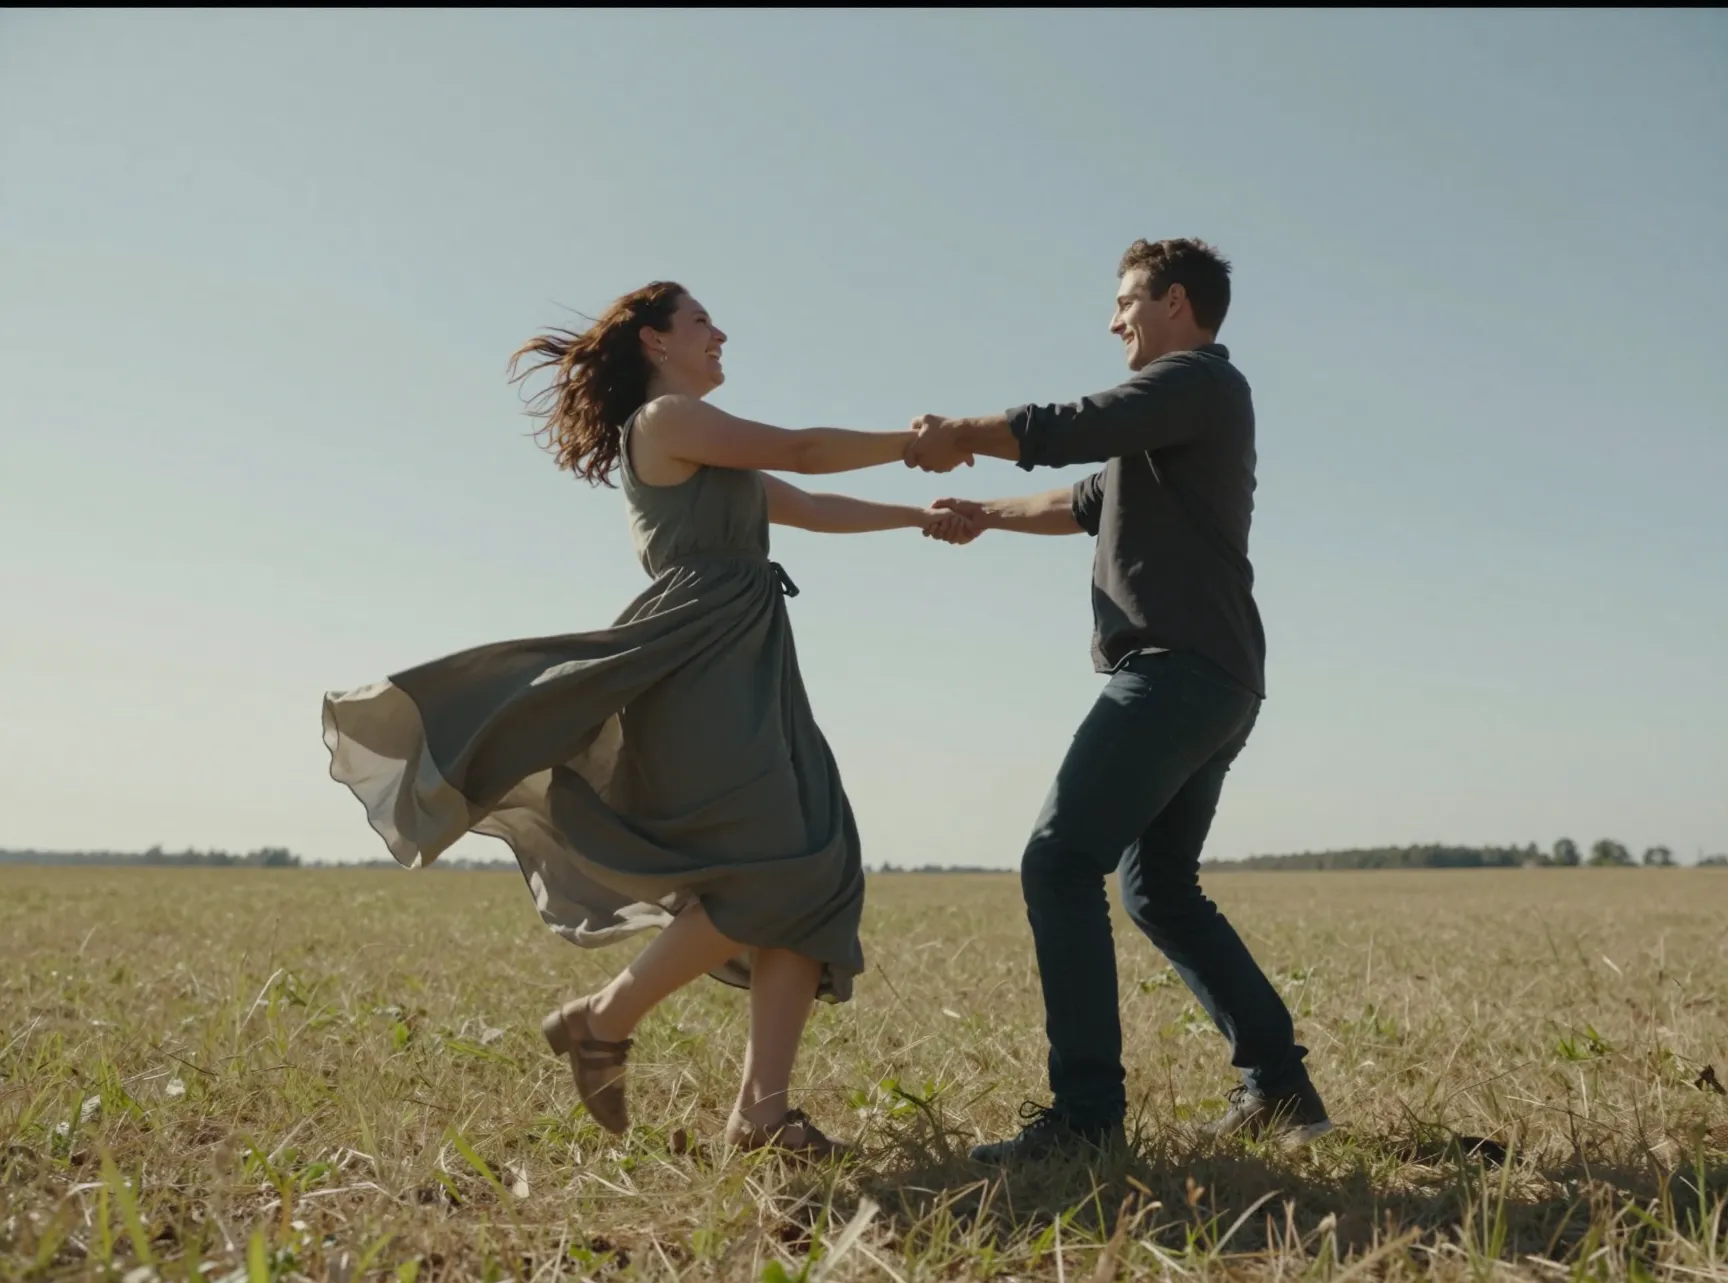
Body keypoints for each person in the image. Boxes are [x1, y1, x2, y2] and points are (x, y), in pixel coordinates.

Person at [323, 280, 975, 1158]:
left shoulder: (712, 449)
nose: (720, 334)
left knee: (817, 867)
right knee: (769, 870)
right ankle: (602, 1019)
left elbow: (808, 506)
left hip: (753, 665)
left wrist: (920, 518)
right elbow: (807, 449)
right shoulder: (666, 424)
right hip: (699, 668)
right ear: (655, 343)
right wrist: (915, 444)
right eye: (703, 322)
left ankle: (762, 1115)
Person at [905, 238, 1331, 1164]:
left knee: (1058, 862)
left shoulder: (1202, 383)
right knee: (1157, 889)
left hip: (1178, 670)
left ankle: (1087, 1119)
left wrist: (958, 432)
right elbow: (1081, 497)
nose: (1113, 320)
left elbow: (1070, 424)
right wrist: (982, 511)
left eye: (1125, 301)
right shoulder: (1166, 422)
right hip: (1215, 674)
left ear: (1175, 302)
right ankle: (1282, 1091)